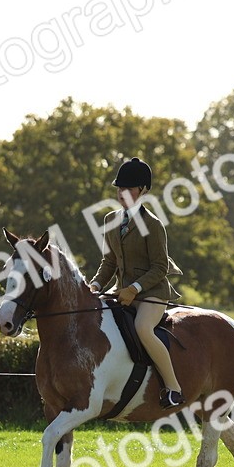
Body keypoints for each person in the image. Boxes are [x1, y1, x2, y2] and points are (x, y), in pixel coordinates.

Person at [88, 157, 185, 408]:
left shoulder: (153, 224)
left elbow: (160, 267)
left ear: (142, 190)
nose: (122, 193)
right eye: (119, 188)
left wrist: (134, 289)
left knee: (143, 328)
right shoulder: (110, 219)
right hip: (120, 291)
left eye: (128, 188)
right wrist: (95, 286)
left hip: (152, 293)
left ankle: (173, 388)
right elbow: (109, 261)